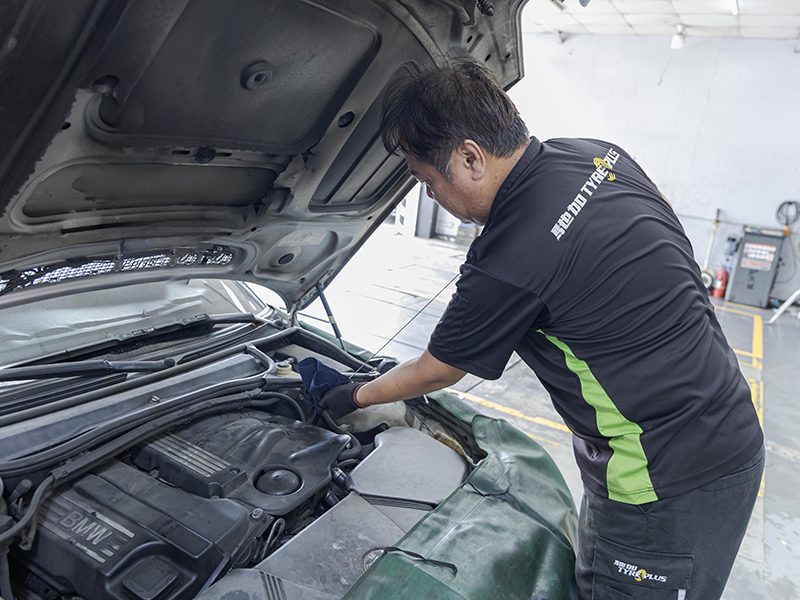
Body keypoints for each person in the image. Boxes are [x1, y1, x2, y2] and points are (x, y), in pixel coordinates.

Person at [319, 58, 763, 600]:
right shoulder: (597, 153)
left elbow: (439, 369)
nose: (432, 198)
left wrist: (354, 395)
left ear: (469, 157)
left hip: (663, 484)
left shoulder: (508, 255)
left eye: (428, 182)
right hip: (723, 422)